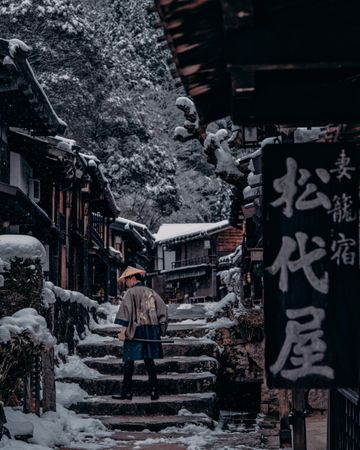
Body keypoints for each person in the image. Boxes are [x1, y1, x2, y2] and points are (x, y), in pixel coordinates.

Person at [113, 266, 168, 401]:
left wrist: (122, 332)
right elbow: (163, 311)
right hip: (150, 329)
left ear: (133, 279)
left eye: (127, 281)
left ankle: (127, 392)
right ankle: (154, 391)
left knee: (129, 361)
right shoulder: (152, 292)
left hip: (136, 329)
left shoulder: (130, 293)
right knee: (149, 361)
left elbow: (126, 314)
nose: (126, 283)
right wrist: (160, 329)